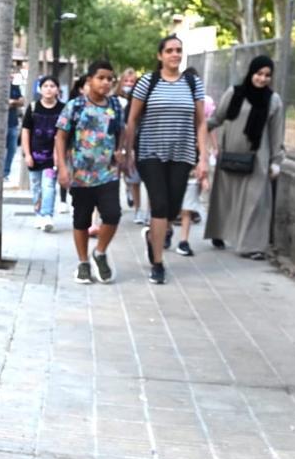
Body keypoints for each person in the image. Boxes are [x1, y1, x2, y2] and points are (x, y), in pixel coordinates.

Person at [121, 35, 209, 285]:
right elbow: (133, 120)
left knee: (171, 209)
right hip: (151, 153)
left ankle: (154, 234)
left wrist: (202, 159)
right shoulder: (147, 82)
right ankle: (157, 263)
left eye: (178, 50)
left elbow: (201, 122)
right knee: (159, 205)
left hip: (182, 154)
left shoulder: (193, 83)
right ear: (160, 55)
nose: (175, 54)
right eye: (169, 50)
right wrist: (127, 152)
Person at [205, 54, 286, 259]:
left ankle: (252, 246)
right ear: (251, 72)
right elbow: (218, 117)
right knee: (227, 198)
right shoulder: (234, 93)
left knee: (256, 201)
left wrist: (276, 161)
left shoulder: (273, 100)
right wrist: (198, 131)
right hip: (231, 154)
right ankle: (220, 232)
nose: (262, 79)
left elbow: (277, 134)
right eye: (259, 73)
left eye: (267, 75)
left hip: (258, 157)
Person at [55, 60, 124, 284]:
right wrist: (63, 168)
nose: (106, 82)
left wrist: (122, 152)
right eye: (101, 77)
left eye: (109, 78)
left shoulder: (115, 105)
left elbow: (120, 132)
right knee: (81, 220)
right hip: (80, 176)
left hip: (108, 173)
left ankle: (100, 252)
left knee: (113, 215)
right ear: (89, 80)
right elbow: (60, 136)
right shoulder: (75, 106)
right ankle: (83, 262)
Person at [20, 75, 66, 230]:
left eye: (52, 86)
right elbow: (26, 132)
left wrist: (59, 156)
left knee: (49, 185)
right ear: (40, 89)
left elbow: (62, 134)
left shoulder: (62, 109)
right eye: (45, 86)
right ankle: (38, 214)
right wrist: (27, 154)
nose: (49, 89)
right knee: (36, 186)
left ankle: (47, 215)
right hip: (34, 155)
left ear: (57, 90)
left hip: (52, 157)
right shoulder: (33, 108)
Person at [176, 93, 217, 257]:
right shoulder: (175, 127)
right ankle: (165, 232)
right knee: (170, 209)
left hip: (191, 175)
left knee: (187, 208)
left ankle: (184, 241)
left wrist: (204, 177)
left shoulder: (200, 132)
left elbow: (203, 155)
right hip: (173, 172)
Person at [117, 68, 147, 225]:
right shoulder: (123, 104)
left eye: (132, 82)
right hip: (132, 145)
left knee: (148, 182)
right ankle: (138, 209)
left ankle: (148, 211)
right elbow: (127, 126)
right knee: (134, 179)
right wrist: (127, 149)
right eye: (126, 81)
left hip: (147, 147)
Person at [3, 78, 25, 178]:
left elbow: (21, 102)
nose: (10, 77)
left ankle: (6, 172)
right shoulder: (0, 87)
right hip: (0, 126)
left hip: (13, 124)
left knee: (12, 149)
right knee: (1, 150)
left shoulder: (15, 88)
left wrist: (12, 102)